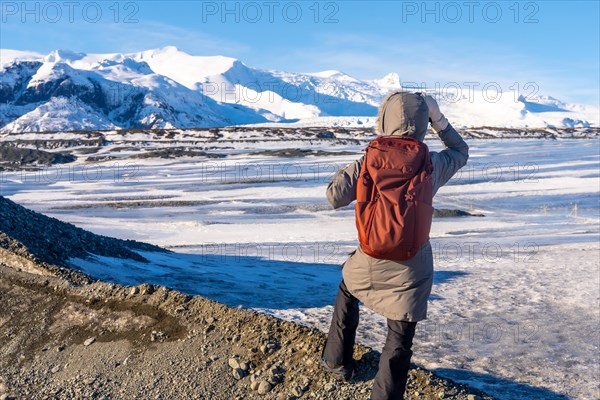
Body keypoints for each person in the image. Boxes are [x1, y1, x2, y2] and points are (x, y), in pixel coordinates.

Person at [321, 91, 469, 400]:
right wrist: (439, 121)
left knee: (348, 290)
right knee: (400, 336)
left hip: (369, 258)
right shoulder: (432, 164)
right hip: (411, 265)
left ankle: (336, 361)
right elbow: (460, 150)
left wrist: (359, 164)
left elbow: (334, 196)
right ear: (422, 123)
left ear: (383, 120)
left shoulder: (368, 160)